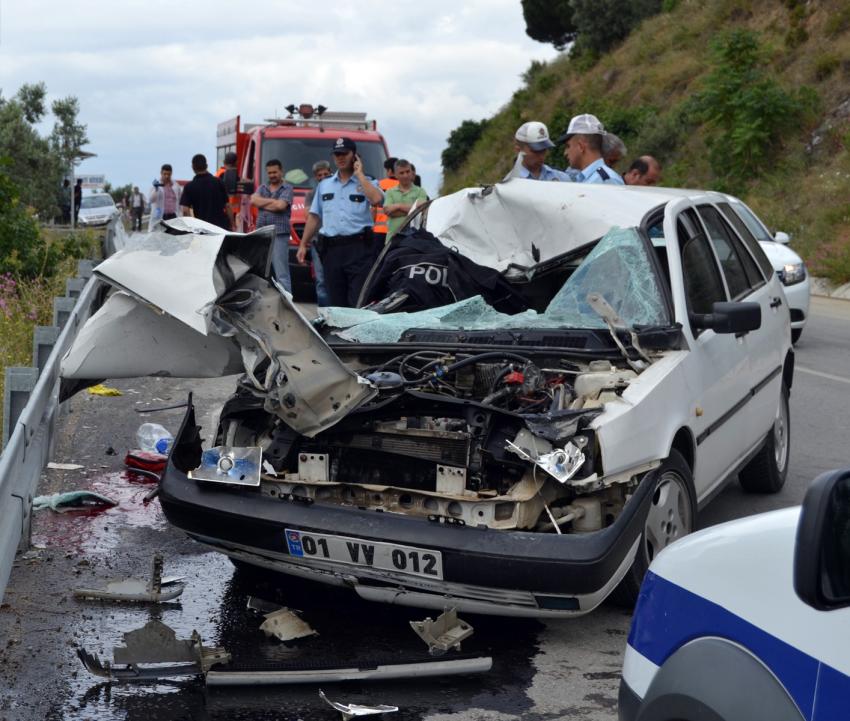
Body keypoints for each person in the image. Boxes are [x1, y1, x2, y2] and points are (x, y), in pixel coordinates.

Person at [296, 137, 383, 307]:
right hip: (332, 251)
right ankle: (338, 334)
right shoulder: (324, 185)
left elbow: (377, 199)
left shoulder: (368, 183)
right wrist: (302, 244)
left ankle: (356, 334)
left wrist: (360, 175)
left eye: (344, 154)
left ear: (354, 156)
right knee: (335, 301)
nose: (340, 158)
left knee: (358, 301)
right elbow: (314, 216)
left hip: (359, 249)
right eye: (337, 154)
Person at [251, 159, 294, 293]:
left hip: (279, 234)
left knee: (281, 273)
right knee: (261, 271)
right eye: (269, 173)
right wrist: (272, 202)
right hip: (262, 233)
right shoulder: (262, 187)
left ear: (281, 171)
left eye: (275, 172)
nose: (272, 175)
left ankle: (287, 304)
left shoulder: (287, 188)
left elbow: (281, 206)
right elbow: (253, 200)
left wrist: (262, 203)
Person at [556, 114, 624, 185]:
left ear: (581, 146)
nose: (565, 153)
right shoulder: (592, 178)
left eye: (568, 146)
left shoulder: (605, 180)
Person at [304, 160, 332, 306]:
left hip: (334, 242)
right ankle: (323, 313)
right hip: (317, 242)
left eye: (326, 174)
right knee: (320, 279)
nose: (323, 177)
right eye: (319, 175)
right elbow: (308, 216)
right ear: (315, 177)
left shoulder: (336, 190)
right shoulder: (311, 195)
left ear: (331, 173)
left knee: (334, 279)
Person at [180, 154, 231, 230]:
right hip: (221, 228)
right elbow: (227, 206)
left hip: (202, 229)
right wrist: (232, 224)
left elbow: (185, 210)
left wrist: (190, 228)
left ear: (193, 168)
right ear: (206, 166)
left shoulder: (189, 187)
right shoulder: (219, 182)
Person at [384, 159, 428, 241]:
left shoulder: (421, 191)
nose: (405, 175)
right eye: (402, 173)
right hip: (393, 239)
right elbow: (388, 211)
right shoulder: (390, 192)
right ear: (396, 175)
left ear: (412, 172)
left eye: (408, 171)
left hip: (415, 239)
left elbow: (421, 209)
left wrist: (398, 206)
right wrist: (413, 209)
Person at [372, 157, 399, 247]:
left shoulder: (379, 185)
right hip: (396, 231)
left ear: (390, 171)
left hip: (378, 231)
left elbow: (373, 209)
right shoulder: (404, 187)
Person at [148, 164, 183, 230]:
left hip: (173, 216)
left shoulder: (176, 186)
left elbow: (180, 201)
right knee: (161, 237)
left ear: (171, 173)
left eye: (169, 174)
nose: (167, 176)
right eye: (165, 174)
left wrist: (181, 214)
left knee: (174, 236)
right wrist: (156, 189)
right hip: (161, 216)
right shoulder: (156, 185)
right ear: (161, 173)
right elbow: (150, 200)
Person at [216, 151, 242, 230]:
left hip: (222, 211)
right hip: (230, 212)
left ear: (224, 162)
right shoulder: (229, 174)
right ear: (236, 162)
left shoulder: (218, 173)